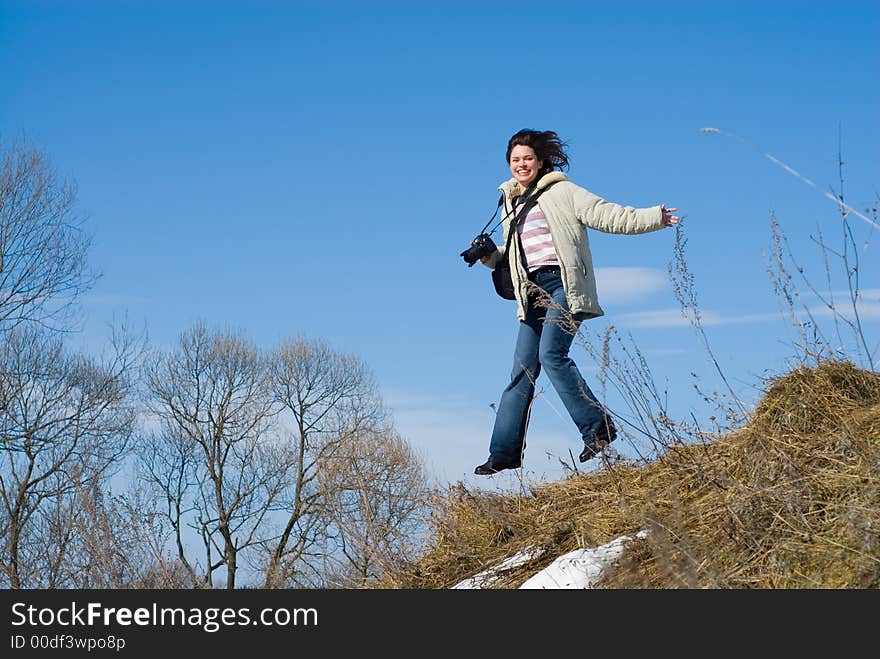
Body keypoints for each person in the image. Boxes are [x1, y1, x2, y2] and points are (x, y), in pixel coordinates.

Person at [469, 129, 680, 476]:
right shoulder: (510, 202)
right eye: (515, 160)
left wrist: (653, 217)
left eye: (527, 158)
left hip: (564, 285)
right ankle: (504, 453)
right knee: (521, 371)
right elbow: (517, 254)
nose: (521, 164)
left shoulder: (563, 192)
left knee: (552, 355)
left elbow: (608, 214)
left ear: (540, 161)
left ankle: (598, 430)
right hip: (531, 293)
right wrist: (490, 255)